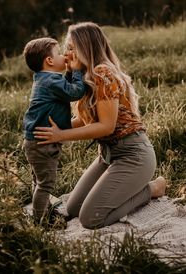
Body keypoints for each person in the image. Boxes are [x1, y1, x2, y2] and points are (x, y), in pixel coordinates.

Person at [33, 22, 167, 229]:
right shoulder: (86, 77)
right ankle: (126, 188)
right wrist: (53, 128)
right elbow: (86, 120)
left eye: (71, 48)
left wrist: (61, 136)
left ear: (85, 48)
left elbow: (106, 126)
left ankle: (152, 189)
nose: (67, 54)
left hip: (133, 155)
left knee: (91, 218)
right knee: (73, 208)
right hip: (107, 154)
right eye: (66, 49)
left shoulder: (103, 73)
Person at [23, 37, 85, 226]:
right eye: (59, 53)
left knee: (39, 181)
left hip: (34, 142)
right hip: (43, 144)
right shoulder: (51, 81)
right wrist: (76, 72)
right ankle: (40, 223)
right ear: (49, 61)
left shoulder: (45, 78)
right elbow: (75, 92)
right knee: (45, 184)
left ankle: (40, 211)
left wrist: (68, 73)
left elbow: (64, 89)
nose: (64, 56)